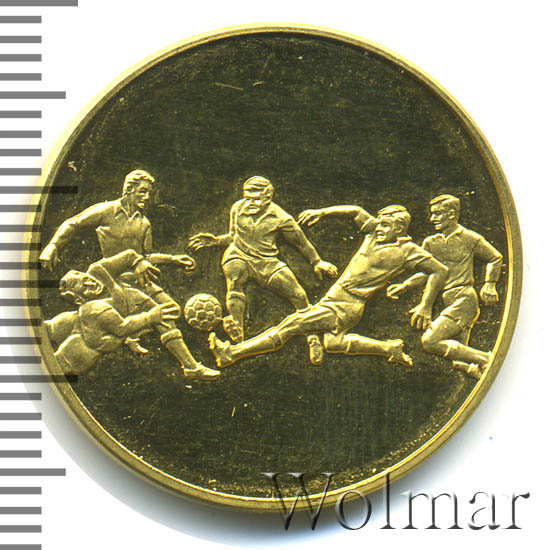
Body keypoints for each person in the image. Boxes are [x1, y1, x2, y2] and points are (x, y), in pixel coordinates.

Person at [208, 204, 448, 369]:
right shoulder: (373, 233)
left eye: (385, 225)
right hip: (336, 296)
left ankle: (232, 354)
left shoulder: (409, 251)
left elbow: (440, 270)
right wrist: (321, 212)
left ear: (399, 228)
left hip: (348, 304)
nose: (379, 227)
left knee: (292, 324)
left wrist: (426, 306)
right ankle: (389, 349)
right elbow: (355, 211)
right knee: (334, 343)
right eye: (380, 223)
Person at [40, 169, 219, 380]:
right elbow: (73, 223)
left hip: (139, 278)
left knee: (172, 310)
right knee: (161, 316)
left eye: (149, 193)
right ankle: (190, 366)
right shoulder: (107, 211)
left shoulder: (144, 223)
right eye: (142, 191)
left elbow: (145, 257)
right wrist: (52, 246)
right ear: (128, 189)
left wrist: (172, 260)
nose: (147, 197)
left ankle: (129, 332)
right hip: (113, 278)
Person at [189, 175, 338, 365]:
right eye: (247, 197)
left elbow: (301, 243)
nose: (249, 202)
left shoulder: (281, 218)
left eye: (255, 199)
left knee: (299, 296)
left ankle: (312, 337)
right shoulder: (237, 208)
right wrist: (216, 241)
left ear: (268, 198)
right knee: (234, 280)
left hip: (267, 263)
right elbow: (234, 236)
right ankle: (237, 329)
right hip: (239, 254)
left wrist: (317, 262)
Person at [45, 249, 218, 378]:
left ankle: (190, 367)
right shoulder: (94, 310)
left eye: (87, 279)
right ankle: (191, 367)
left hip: (127, 306)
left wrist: (168, 260)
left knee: (167, 314)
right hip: (94, 338)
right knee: (59, 343)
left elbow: (130, 256)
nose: (92, 284)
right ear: (79, 299)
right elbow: (121, 328)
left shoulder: (98, 270)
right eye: (85, 288)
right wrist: (148, 318)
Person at [386, 194, 502, 380]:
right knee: (459, 361)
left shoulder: (470, 238)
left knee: (430, 341)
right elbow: (427, 273)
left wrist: (490, 284)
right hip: (446, 302)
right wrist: (406, 286)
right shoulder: (430, 243)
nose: (432, 219)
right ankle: (483, 374)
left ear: (452, 214)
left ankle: (487, 359)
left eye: (437, 214)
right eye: (432, 214)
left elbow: (495, 257)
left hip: (464, 300)